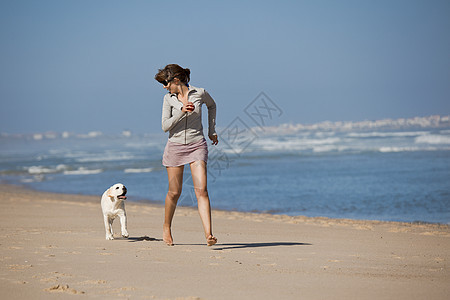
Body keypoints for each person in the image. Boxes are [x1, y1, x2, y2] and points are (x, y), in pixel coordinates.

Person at [155, 64, 218, 246]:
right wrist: (182, 112)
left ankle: (209, 235)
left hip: (197, 144)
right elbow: (165, 126)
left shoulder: (200, 93)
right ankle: (166, 227)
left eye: (166, 83)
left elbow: (212, 106)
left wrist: (212, 130)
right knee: (175, 192)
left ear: (176, 80)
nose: (165, 87)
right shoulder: (168, 99)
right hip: (175, 147)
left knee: (202, 190)